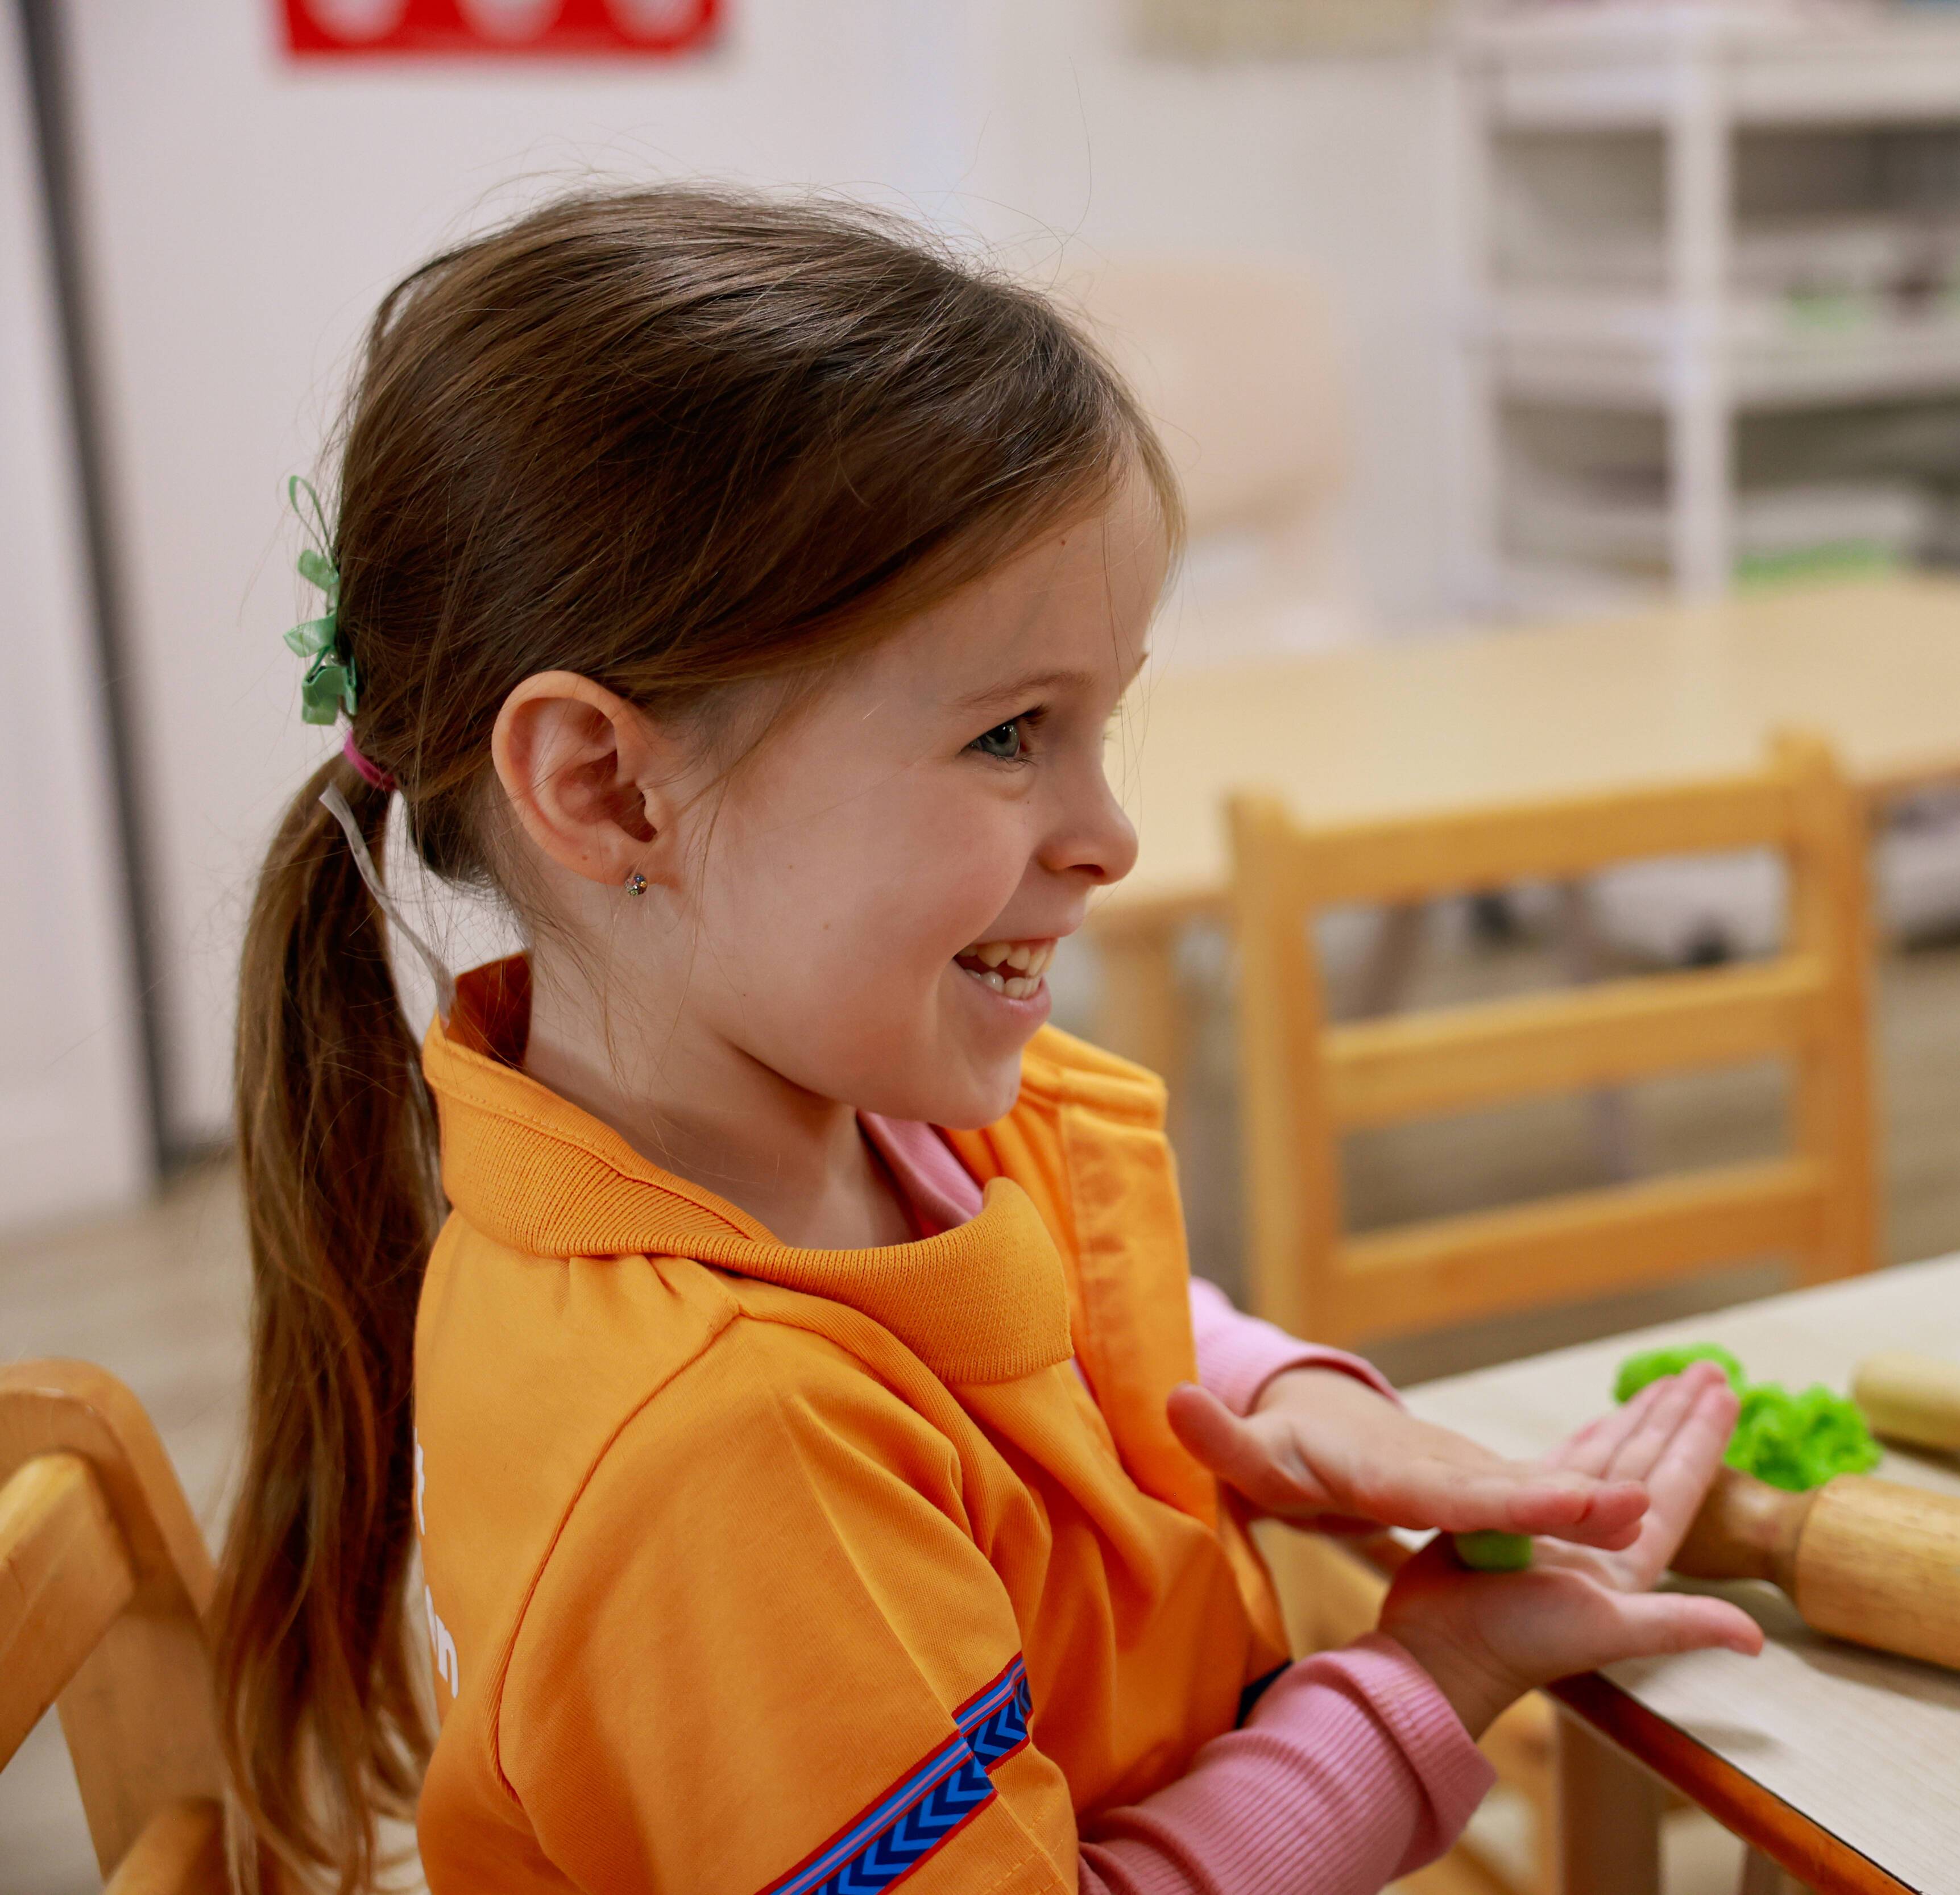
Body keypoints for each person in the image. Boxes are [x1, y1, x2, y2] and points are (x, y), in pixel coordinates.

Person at [219, 185, 1760, 1895]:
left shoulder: (842, 1104)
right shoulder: (727, 1459)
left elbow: (1048, 1308)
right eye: (1013, 734)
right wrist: (1435, 1683)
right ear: (608, 786)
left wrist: (1286, 1403)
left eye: (1104, 718)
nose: (1110, 832)